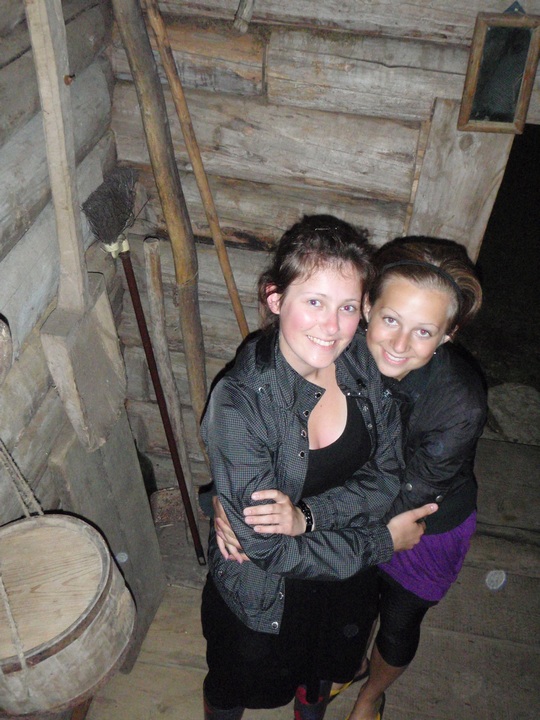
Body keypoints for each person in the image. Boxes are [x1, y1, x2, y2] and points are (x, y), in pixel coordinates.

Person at [215, 236, 486, 720]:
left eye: (424, 331)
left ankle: (368, 696)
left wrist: (302, 520)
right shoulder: (343, 349)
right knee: (295, 646)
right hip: (339, 534)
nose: (399, 344)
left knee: (394, 626)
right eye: (390, 320)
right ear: (369, 310)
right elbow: (246, 416)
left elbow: (393, 488)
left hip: (424, 518)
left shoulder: (456, 399)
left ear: (448, 335)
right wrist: (229, 498)